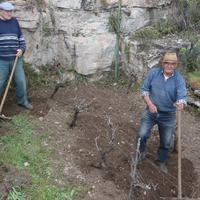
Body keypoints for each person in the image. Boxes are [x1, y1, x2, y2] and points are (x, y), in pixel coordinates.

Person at [137, 52, 187, 173]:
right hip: (150, 111)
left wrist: (181, 103)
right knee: (142, 134)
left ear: (175, 65)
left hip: (168, 115)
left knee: (166, 142)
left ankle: (160, 161)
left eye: (172, 64)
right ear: (163, 63)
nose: (169, 66)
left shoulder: (178, 79)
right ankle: (140, 153)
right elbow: (144, 90)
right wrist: (150, 104)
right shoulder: (153, 73)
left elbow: (182, 96)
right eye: (167, 63)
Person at [0, 2, 33, 110]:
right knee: (0, 83)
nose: (10, 13)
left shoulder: (14, 22)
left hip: (16, 59)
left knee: (20, 81)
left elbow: (21, 39)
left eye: (11, 11)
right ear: (1, 11)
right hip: (2, 61)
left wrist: (22, 50)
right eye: (8, 11)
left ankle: (22, 101)